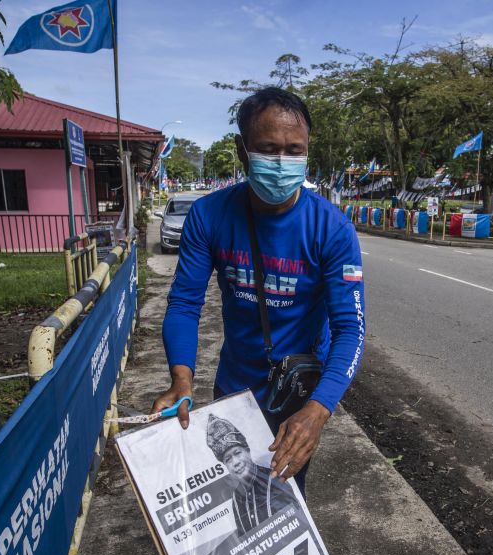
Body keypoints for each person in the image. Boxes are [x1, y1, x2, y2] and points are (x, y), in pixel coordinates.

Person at [153, 87, 366, 497]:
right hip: (234, 385)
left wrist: (317, 412)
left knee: (285, 500)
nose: (282, 162)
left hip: (299, 392)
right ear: (242, 149)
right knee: (234, 493)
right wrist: (181, 379)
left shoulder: (333, 229)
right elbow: (184, 304)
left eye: (294, 149)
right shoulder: (209, 214)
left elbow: (350, 329)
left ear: (308, 151)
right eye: (269, 149)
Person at [206, 414, 297, 536]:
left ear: (247, 450)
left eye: (237, 453)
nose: (235, 462)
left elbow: (298, 525)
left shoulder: (273, 481)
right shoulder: (236, 498)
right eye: (228, 459)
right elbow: (244, 538)